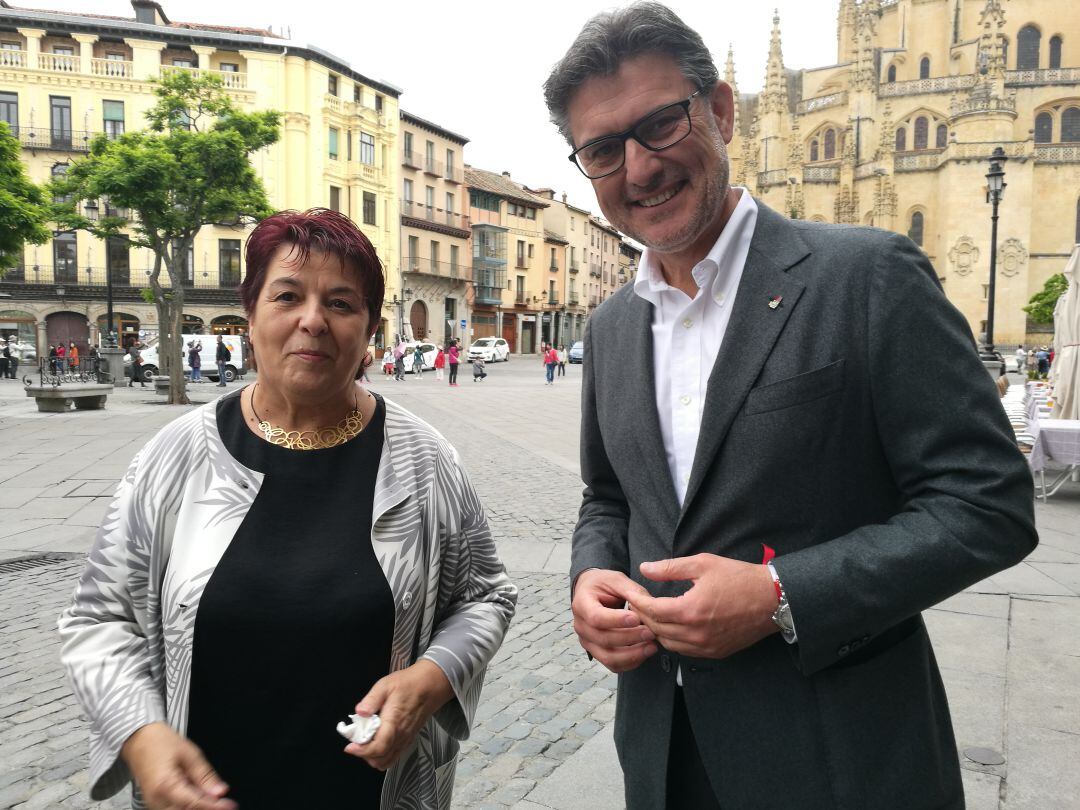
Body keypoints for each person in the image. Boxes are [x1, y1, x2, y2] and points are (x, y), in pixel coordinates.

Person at [544, 5, 1036, 808]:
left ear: (722, 112)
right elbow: (608, 498)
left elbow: (989, 503)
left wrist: (782, 596)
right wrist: (592, 575)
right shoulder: (611, 326)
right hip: (661, 757)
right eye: (602, 149)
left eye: (661, 125)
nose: (638, 169)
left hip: (840, 765)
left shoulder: (868, 276)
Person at [58, 208, 516, 810]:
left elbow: (485, 597)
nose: (313, 320)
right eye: (287, 296)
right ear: (251, 316)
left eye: (341, 303)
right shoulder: (176, 455)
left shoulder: (423, 461)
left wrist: (432, 678)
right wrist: (140, 733)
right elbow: (99, 619)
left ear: (369, 329)